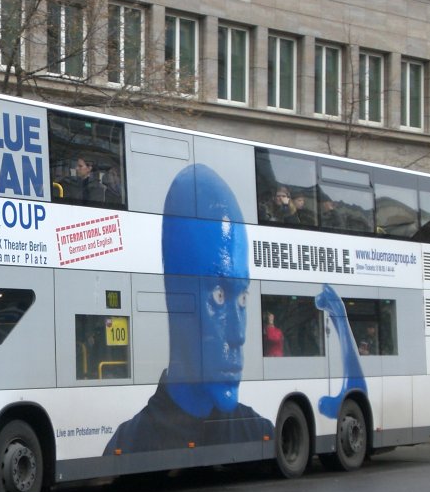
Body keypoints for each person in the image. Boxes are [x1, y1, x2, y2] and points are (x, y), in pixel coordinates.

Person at [104, 163, 366, 454]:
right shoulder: (127, 444)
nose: (238, 335)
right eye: (218, 295)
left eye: (242, 299)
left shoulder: (259, 430)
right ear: (173, 296)